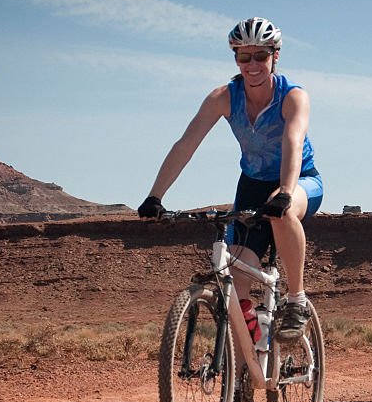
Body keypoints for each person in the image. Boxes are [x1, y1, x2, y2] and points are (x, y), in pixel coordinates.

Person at [137, 17, 323, 343]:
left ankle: (296, 301)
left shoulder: (293, 96)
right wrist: (155, 196)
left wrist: (285, 191)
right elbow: (185, 145)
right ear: (235, 58)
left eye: (260, 56)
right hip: (251, 185)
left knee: (284, 212)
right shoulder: (223, 98)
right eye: (244, 56)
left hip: (299, 179)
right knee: (237, 285)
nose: (252, 64)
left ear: (274, 57)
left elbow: (293, 142)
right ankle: (253, 361)